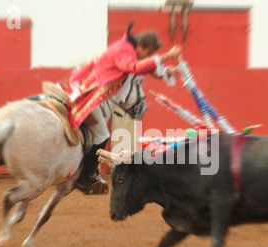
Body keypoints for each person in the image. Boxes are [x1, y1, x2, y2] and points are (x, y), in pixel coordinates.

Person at [57, 23, 182, 195]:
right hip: (90, 92)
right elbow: (136, 68)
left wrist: (168, 72)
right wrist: (167, 55)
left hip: (88, 87)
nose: (151, 56)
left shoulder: (129, 50)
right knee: (102, 134)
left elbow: (146, 68)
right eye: (150, 52)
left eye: (152, 54)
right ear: (139, 46)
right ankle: (84, 178)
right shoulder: (124, 51)